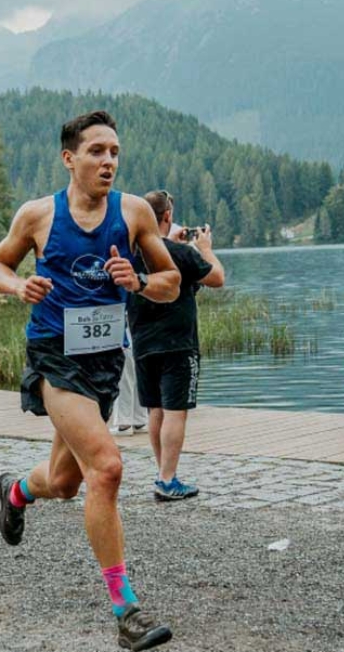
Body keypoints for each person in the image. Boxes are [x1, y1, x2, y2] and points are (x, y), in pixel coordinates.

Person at [0, 110, 180, 650]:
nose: (109, 161)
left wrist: (138, 280)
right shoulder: (39, 215)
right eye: (96, 151)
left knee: (66, 484)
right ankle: (127, 610)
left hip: (103, 362)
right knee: (108, 467)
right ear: (70, 158)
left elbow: (170, 282)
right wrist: (15, 287)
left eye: (114, 151)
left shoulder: (135, 212)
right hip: (55, 356)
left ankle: (17, 491)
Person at [130, 190, 224, 501]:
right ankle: (168, 479)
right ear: (167, 216)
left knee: (155, 409)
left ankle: (162, 473)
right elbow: (217, 278)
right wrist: (205, 249)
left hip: (143, 342)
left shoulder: (132, 255)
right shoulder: (179, 254)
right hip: (178, 343)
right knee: (175, 412)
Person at [108, 335, 148, 436]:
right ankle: (139, 421)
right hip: (140, 341)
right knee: (136, 380)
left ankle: (124, 424)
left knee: (123, 382)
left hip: (124, 342)